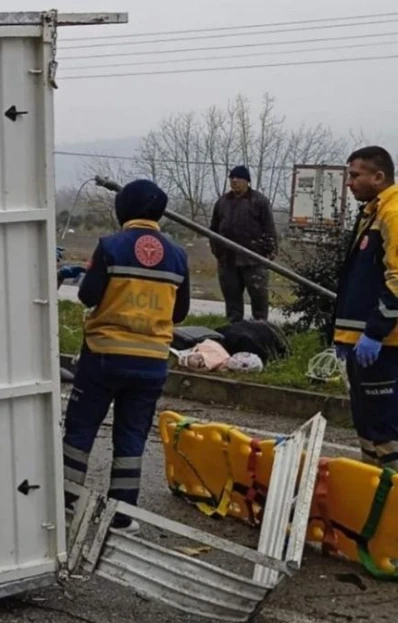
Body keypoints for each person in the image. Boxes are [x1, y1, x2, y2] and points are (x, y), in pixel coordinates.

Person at [62, 179, 190, 533]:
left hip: (104, 356)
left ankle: (67, 501)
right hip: (151, 361)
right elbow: (179, 314)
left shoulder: (111, 246)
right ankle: (122, 515)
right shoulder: (178, 255)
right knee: (132, 436)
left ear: (124, 209)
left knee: (81, 428)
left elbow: (88, 296)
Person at [331, 146, 398, 468]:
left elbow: (397, 278)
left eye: (355, 175)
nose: (349, 182)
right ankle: (372, 489)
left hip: (384, 343)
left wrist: (374, 331)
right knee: (367, 423)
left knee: (384, 427)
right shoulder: (374, 210)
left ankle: (391, 498)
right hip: (361, 341)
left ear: (379, 176)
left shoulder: (393, 212)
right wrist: (344, 334)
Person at [209, 166, 277, 322]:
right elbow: (213, 230)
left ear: (247, 181)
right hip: (228, 261)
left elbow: (269, 229)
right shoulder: (222, 203)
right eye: (231, 178)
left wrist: (269, 252)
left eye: (238, 178)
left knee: (259, 302)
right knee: (233, 305)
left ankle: (260, 334)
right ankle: (234, 335)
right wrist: (217, 251)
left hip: (254, 261)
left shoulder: (259, 201)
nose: (234, 181)